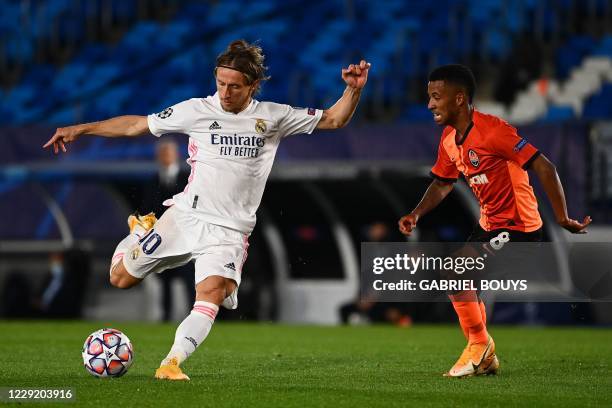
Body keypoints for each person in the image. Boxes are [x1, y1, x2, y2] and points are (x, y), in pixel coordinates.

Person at [44, 40, 370, 380]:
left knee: (211, 293)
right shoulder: (196, 110)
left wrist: (352, 90)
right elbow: (136, 125)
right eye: (221, 84)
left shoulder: (273, 116)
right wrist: (79, 128)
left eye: (235, 86)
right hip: (186, 217)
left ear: (253, 86)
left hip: (229, 231)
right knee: (120, 278)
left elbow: (334, 119)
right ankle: (139, 231)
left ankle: (170, 363)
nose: (226, 93)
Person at [398, 64, 591, 378]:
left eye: (436, 97)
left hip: (519, 228)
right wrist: (416, 213)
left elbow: (545, 167)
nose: (430, 104)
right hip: (489, 225)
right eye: (429, 97)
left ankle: (479, 346)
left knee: (455, 273)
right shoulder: (449, 138)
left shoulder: (493, 130)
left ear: (459, 99)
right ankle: (483, 354)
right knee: (461, 280)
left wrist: (561, 217)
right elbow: (444, 182)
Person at [141, 138, 195, 322]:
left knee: (190, 280)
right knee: (165, 280)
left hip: (186, 241)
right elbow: (147, 211)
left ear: (176, 155)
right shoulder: (151, 182)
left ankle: (194, 318)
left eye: (168, 152)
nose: (165, 156)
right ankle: (166, 316)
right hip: (162, 242)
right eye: (162, 153)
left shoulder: (189, 179)